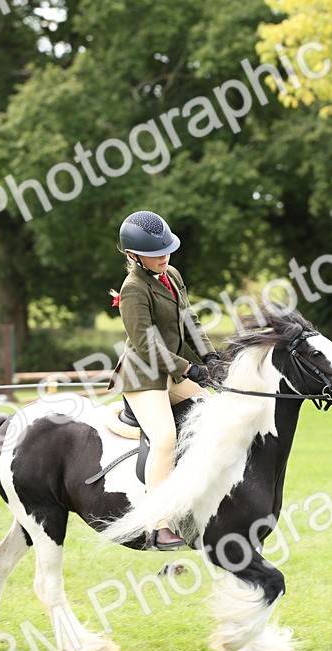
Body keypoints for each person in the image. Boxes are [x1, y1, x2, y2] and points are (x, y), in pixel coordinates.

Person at [110, 210, 219, 550]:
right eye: (155, 253)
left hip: (172, 372)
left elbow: (190, 321)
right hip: (144, 377)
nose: (164, 257)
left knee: (211, 410)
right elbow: (146, 344)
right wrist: (189, 369)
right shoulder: (133, 289)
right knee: (166, 438)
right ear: (134, 256)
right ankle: (159, 525)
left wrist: (211, 358)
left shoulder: (171, 274)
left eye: (166, 250)